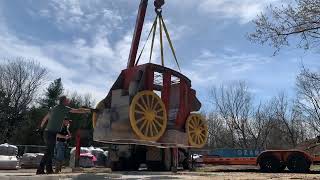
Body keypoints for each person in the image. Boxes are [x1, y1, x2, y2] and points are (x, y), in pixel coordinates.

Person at [36, 95, 91, 175]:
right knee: (49, 152)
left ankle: (49, 170)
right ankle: (40, 170)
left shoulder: (54, 108)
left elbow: (46, 118)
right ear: (64, 101)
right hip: (51, 133)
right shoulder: (64, 108)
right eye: (67, 100)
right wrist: (87, 111)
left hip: (48, 132)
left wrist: (40, 128)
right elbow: (77, 111)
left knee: (50, 152)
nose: (68, 100)